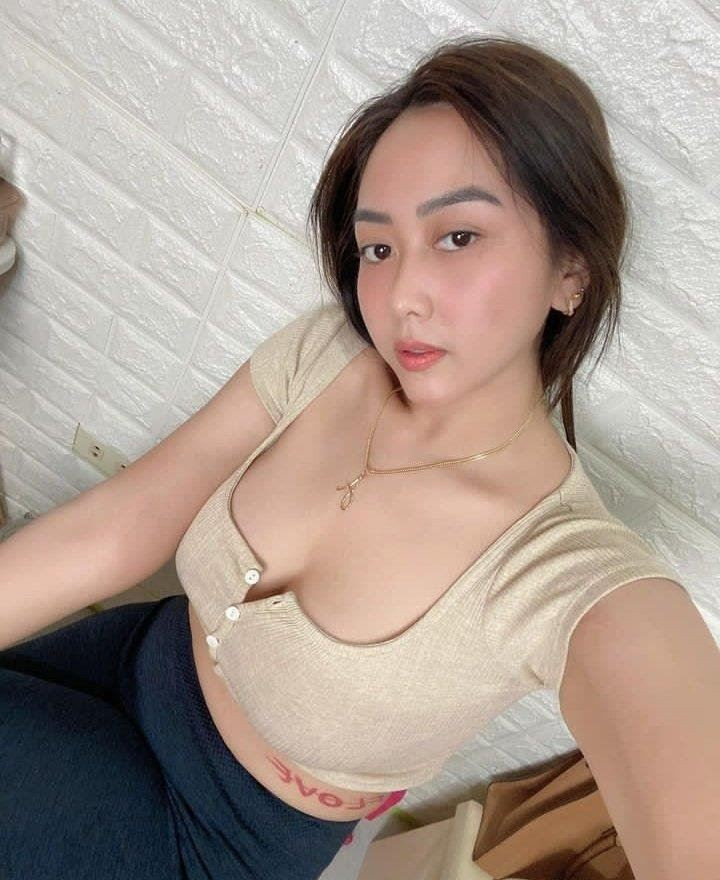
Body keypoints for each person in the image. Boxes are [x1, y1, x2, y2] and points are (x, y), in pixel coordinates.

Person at [1, 34, 713, 880]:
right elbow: (123, 524)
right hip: (120, 663)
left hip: (204, 839)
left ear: (572, 271)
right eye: (378, 247)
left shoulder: (564, 572)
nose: (400, 294)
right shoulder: (326, 355)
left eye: (458, 236)